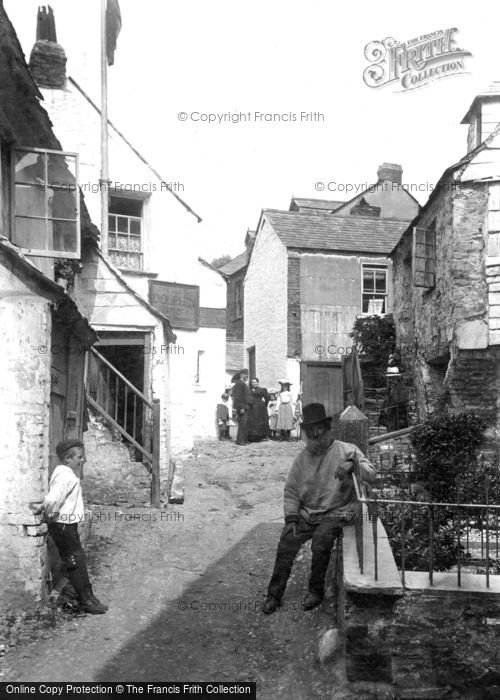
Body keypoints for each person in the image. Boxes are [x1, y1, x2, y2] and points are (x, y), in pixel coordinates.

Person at [262, 403, 377, 614]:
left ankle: (315, 591)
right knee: (287, 541)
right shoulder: (301, 460)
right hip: (308, 514)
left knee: (322, 541)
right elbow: (291, 491)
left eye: (319, 429)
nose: (316, 435)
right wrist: (292, 518)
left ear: (327, 428)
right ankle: (274, 594)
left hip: (336, 511)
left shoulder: (347, 450)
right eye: (311, 431)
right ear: (305, 434)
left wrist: (353, 465)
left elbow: (372, 474)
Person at [29, 439, 108, 614]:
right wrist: (50, 515)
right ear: (67, 458)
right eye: (79, 457)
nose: (82, 460)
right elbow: (52, 500)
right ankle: (86, 601)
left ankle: (89, 596)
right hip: (63, 525)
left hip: (67, 524)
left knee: (77, 560)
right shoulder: (66, 476)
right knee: (75, 562)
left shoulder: (64, 473)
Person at [231, 368, 253, 445]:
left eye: (247, 375)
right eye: (245, 374)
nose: (247, 376)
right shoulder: (239, 383)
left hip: (246, 407)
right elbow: (237, 397)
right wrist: (241, 408)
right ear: (241, 375)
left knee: (246, 424)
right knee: (242, 424)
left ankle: (244, 440)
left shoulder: (244, 383)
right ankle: (240, 441)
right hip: (242, 408)